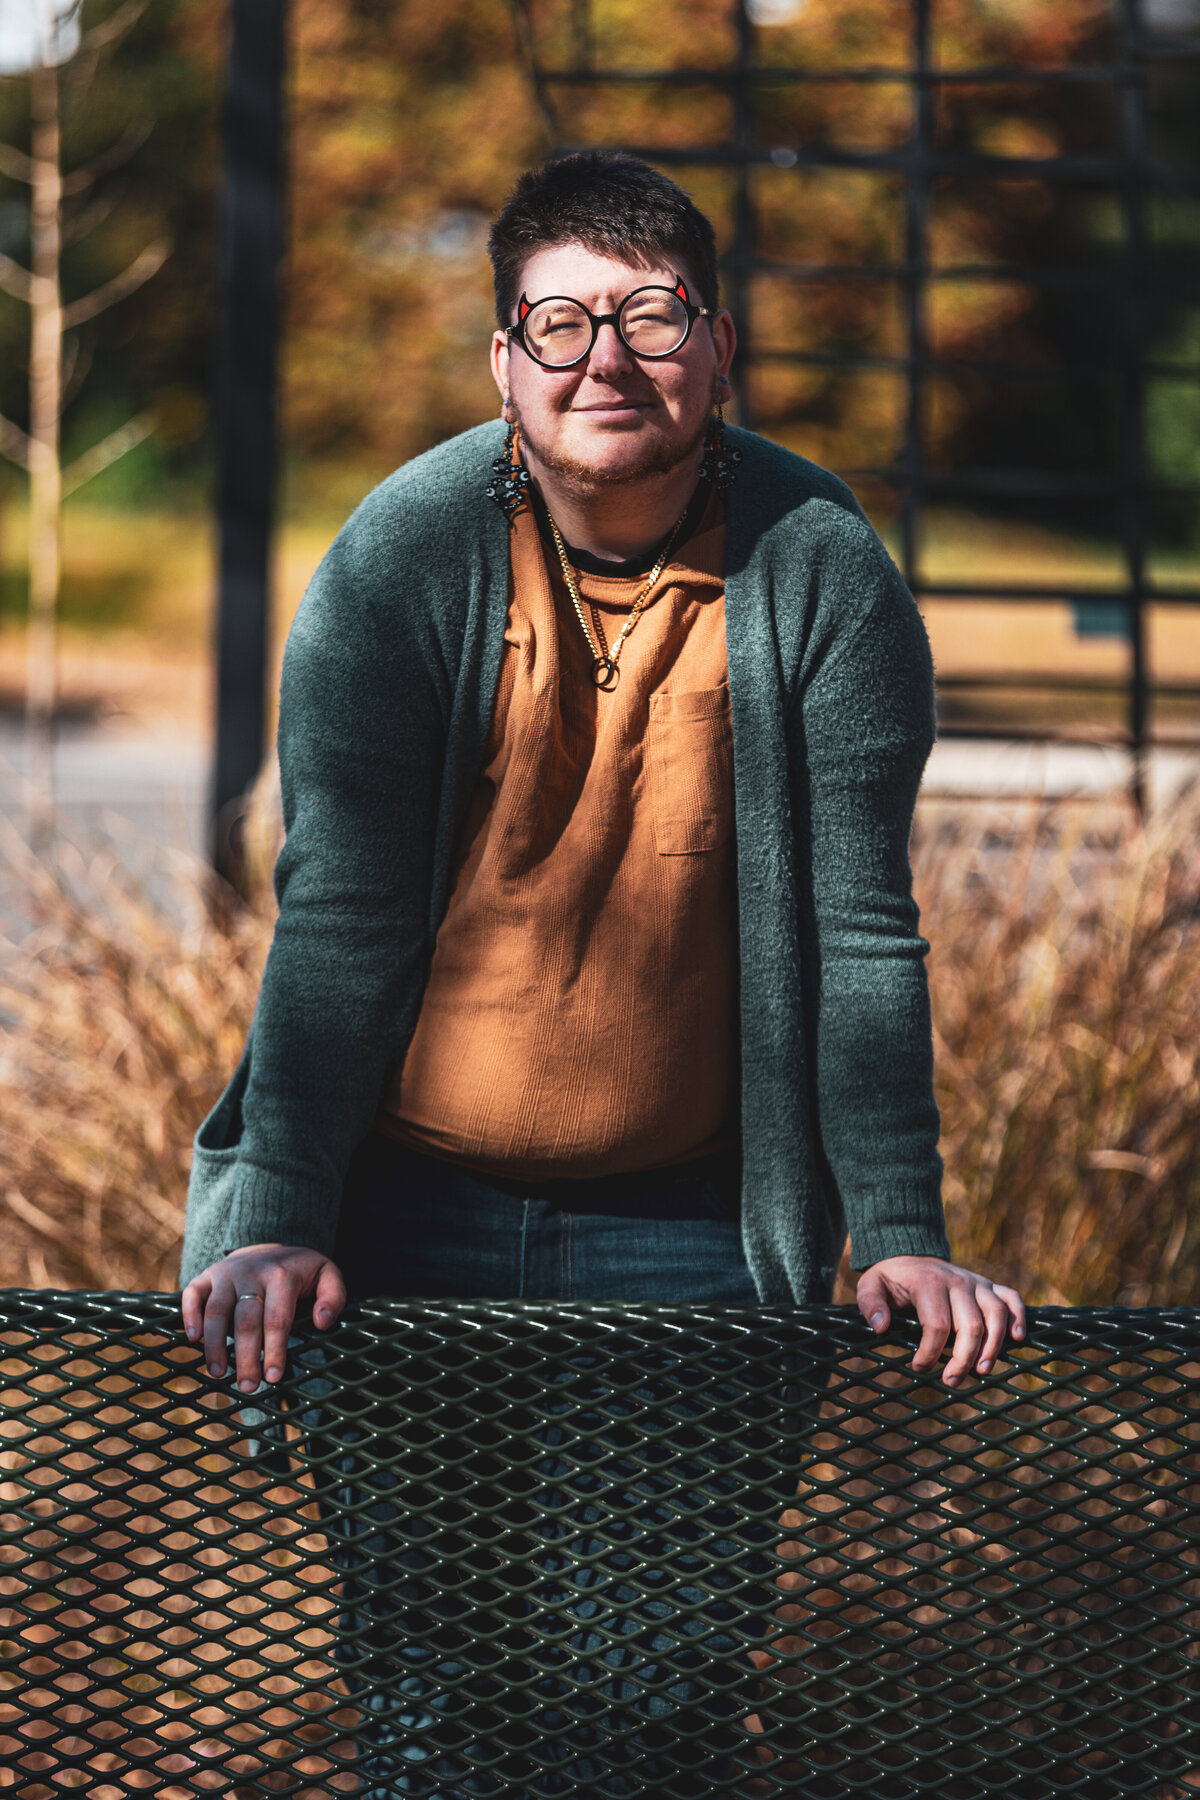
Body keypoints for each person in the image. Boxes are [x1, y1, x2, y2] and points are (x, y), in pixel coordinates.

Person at [178, 150, 1025, 1791]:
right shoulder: (401, 555)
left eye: (650, 316)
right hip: (407, 1221)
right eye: (557, 323)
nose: (604, 361)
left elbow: (863, 926)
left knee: (659, 1707)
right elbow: (337, 911)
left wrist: (905, 1233)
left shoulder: (820, 565)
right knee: (435, 1712)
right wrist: (280, 1208)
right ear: (504, 360)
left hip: (690, 1232)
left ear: (720, 346)